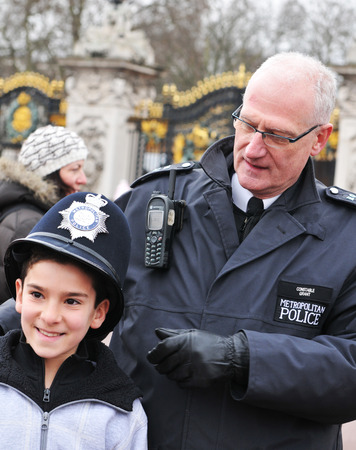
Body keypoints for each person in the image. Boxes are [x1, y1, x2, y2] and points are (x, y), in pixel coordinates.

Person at [105, 51, 356, 449]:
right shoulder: (148, 201)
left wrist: (242, 358)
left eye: (276, 135)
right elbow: (63, 297)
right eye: (247, 124)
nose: (253, 148)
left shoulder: (348, 236)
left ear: (319, 140)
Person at [0, 191, 147, 449]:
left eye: (71, 301)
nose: (50, 316)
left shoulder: (120, 413)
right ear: (20, 294)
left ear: (98, 312)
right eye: (37, 294)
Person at [0, 125, 88, 303]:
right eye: (74, 169)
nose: (83, 179)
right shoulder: (31, 223)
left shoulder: (26, 211)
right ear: (49, 173)